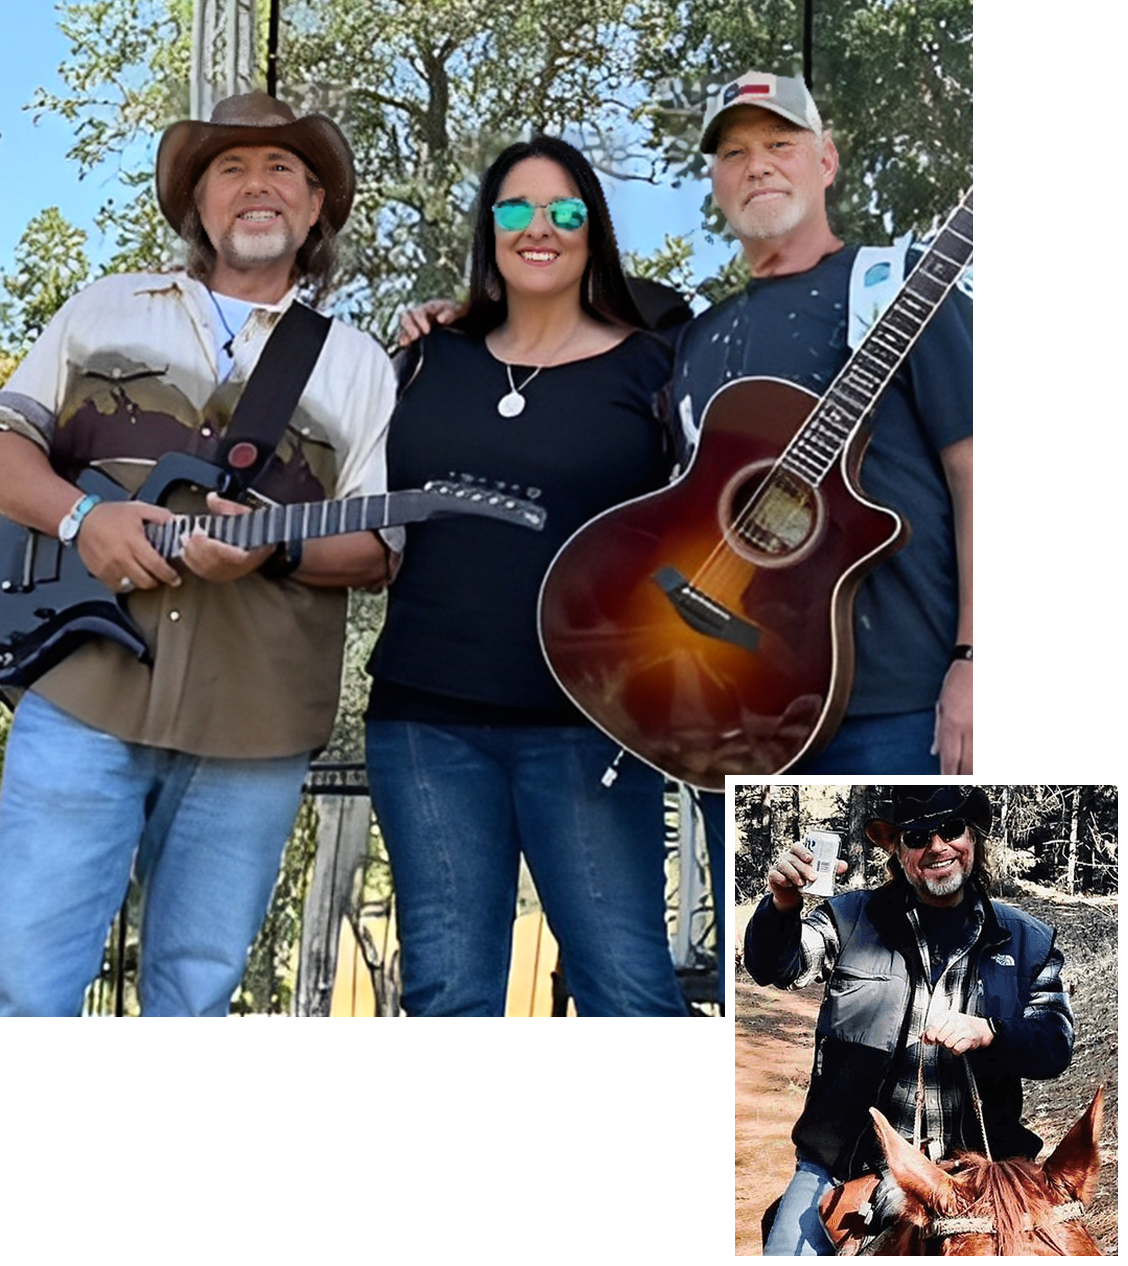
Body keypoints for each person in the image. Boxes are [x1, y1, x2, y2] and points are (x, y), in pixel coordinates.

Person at [0, 90, 397, 1016]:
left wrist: (278, 557)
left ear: (314, 210)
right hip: (80, 698)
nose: (257, 186)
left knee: (198, 996)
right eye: (231, 167)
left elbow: (380, 546)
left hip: (254, 726)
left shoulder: (359, 366)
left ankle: (169, 1165)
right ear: (198, 205)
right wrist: (78, 520)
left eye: (282, 170)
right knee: (26, 986)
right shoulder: (102, 310)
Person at [364, 135, 691, 1058]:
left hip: (587, 726)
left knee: (627, 988)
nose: (538, 227)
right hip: (424, 722)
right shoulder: (427, 359)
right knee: (447, 985)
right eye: (515, 209)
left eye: (564, 211)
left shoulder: (658, 365)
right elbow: (380, 530)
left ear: (595, 231)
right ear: (488, 229)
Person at [678, 70, 982, 775]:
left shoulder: (897, 282)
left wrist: (985, 659)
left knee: (922, 886)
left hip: (898, 712)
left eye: (781, 142)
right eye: (733, 154)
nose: (757, 165)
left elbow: (988, 478)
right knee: (777, 895)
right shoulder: (699, 339)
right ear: (717, 182)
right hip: (739, 722)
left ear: (826, 160)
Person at [743, 786, 1074, 1255]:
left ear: (973, 839)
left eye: (952, 829)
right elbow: (780, 964)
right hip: (846, 1159)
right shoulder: (848, 918)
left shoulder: (1026, 940)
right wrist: (781, 906)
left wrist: (991, 1032)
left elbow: (1054, 1043)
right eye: (917, 835)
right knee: (786, 1254)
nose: (937, 846)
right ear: (898, 851)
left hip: (982, 1169)